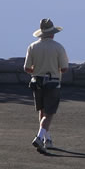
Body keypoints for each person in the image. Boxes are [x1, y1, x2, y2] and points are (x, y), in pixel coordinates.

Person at [24, 18, 69, 153]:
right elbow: (64, 68)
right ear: (53, 33)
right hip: (52, 82)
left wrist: (37, 71)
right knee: (49, 113)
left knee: (42, 111)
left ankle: (47, 139)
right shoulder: (58, 47)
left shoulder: (32, 46)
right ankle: (39, 137)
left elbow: (26, 68)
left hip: (36, 82)